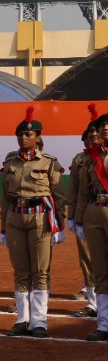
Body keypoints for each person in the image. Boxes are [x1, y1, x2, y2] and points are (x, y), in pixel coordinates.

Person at [1, 107, 64, 338]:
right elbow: (6, 197)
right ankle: (22, 320)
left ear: (38, 138)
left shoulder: (49, 162)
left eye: (28, 134)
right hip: (15, 217)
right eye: (20, 134)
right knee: (20, 271)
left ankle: (39, 322)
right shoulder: (10, 161)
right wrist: (2, 227)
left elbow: (58, 196)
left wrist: (59, 224)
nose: (23, 137)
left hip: (40, 218)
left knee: (40, 271)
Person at [75, 109, 108, 340]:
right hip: (94, 212)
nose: (105, 128)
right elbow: (83, 191)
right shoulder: (90, 157)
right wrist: (77, 220)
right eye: (102, 125)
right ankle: (104, 326)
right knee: (100, 271)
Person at [67, 107, 102, 318]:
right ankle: (93, 303)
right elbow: (75, 191)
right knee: (88, 258)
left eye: (95, 135)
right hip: (89, 212)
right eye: (88, 137)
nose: (92, 139)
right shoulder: (81, 160)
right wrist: (73, 217)